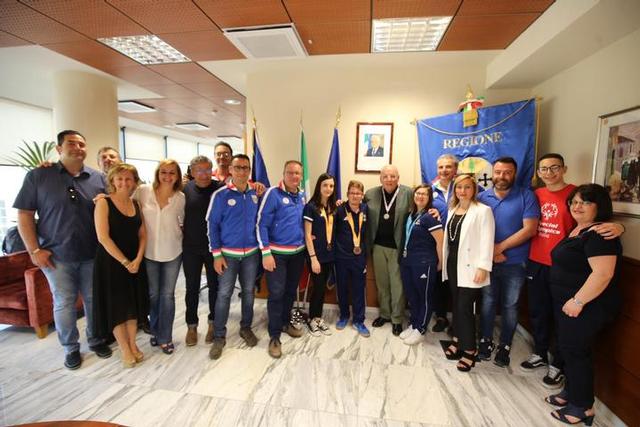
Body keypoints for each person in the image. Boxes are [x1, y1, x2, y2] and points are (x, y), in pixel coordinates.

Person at [522, 153, 625, 388]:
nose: (549, 173)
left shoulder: (576, 194)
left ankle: (558, 364)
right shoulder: (535, 195)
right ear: (538, 172)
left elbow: (597, 223)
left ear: (564, 169)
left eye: (554, 167)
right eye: (544, 169)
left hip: (566, 268)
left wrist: (619, 226)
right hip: (537, 260)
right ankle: (540, 352)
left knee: (563, 318)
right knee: (538, 311)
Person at [14, 130, 112, 370]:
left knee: (93, 300)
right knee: (64, 302)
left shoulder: (98, 178)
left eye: (82, 144)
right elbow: (24, 214)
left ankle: (96, 339)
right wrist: (34, 250)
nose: (78, 148)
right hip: (56, 256)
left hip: (92, 254)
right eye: (71, 143)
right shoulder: (39, 176)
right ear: (59, 149)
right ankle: (70, 348)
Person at [546, 184, 622, 426]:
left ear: (599, 207)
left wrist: (578, 301)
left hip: (585, 305)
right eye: (574, 202)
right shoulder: (579, 229)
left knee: (576, 352)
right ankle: (571, 393)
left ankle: (582, 407)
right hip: (568, 304)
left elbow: (603, 274)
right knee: (569, 349)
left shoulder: (600, 235)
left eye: (585, 202)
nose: (577, 206)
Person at [477, 157, 540, 367]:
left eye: (507, 172)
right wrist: (491, 252)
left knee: (510, 305)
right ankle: (485, 341)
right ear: (492, 173)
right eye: (498, 172)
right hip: (487, 261)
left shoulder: (526, 196)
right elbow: (475, 228)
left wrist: (500, 248)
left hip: (515, 262)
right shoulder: (481, 197)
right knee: (487, 302)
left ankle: (504, 345)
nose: (501, 176)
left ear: (514, 173)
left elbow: (530, 229)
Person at [93, 163, 148, 368]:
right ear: (113, 181)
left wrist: (138, 259)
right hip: (111, 262)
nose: (124, 182)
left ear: (134, 182)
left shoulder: (137, 204)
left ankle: (133, 344)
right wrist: (125, 262)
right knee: (116, 307)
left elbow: (143, 235)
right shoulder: (103, 203)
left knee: (132, 305)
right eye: (120, 179)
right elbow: (103, 237)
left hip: (135, 262)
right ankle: (124, 349)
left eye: (128, 179)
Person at [207, 154, 261, 359]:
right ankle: (219, 336)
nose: (241, 171)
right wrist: (216, 255)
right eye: (237, 167)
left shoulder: (255, 194)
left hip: (251, 255)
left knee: (248, 293)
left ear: (249, 171)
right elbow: (212, 225)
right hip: (227, 256)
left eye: (245, 168)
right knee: (224, 294)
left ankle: (246, 327)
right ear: (230, 169)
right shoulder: (220, 195)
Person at [442, 174, 494, 372]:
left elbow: (487, 241)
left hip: (472, 267)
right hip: (453, 264)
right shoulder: (452, 209)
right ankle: (457, 339)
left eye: (467, 187)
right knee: (456, 304)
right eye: (459, 187)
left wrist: (483, 267)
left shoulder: (483, 211)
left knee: (465, 308)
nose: (462, 191)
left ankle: (470, 350)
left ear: (474, 190)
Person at [133, 160, 184, 355]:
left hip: (173, 252)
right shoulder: (143, 191)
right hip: (149, 253)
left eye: (172, 173)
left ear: (177, 176)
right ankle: (155, 330)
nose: (167, 176)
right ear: (157, 173)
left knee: (167, 296)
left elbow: (183, 222)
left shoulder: (180, 198)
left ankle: (165, 337)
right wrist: (103, 198)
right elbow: (121, 202)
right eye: (164, 172)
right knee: (153, 295)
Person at [257, 160, 307, 358]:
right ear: (284, 173)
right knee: (276, 294)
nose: (294, 176)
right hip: (276, 255)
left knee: (289, 291)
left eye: (297, 173)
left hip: (297, 254)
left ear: (301, 176)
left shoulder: (302, 196)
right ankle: (274, 336)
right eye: (290, 172)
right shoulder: (273, 193)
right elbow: (261, 224)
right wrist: (266, 252)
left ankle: (285, 323)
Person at [364, 164, 412, 335]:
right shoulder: (370, 194)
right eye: (385, 176)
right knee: (382, 283)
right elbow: (356, 207)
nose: (389, 179)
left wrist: (433, 211)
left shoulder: (409, 193)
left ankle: (397, 318)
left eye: (393, 176)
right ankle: (384, 314)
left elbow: (421, 207)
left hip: (397, 247)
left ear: (398, 178)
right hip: (377, 246)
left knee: (397, 285)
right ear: (380, 178)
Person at [182, 155, 222, 346]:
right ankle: (192, 326)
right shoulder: (185, 189)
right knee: (192, 288)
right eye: (199, 170)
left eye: (207, 170)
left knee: (215, 287)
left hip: (214, 248)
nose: (204, 174)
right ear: (192, 172)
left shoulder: (220, 188)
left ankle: (213, 323)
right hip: (190, 248)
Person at [398, 185, 443, 345]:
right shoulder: (410, 215)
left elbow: (440, 242)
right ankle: (414, 324)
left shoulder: (430, 217)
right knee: (412, 295)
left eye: (424, 194)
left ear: (429, 198)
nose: (420, 196)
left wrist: (440, 262)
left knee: (423, 296)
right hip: (408, 261)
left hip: (424, 263)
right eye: (418, 193)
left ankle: (421, 329)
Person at [334, 180, 370, 337]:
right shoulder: (339, 210)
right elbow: (333, 232)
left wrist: (365, 254)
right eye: (352, 193)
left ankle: (359, 320)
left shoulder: (366, 209)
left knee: (359, 289)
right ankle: (343, 316)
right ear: (347, 194)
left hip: (359, 258)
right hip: (342, 257)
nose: (355, 196)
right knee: (342, 288)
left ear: (362, 195)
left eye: (358, 193)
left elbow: (368, 233)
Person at [303, 173, 337, 336]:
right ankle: (312, 319)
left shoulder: (333, 207)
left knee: (322, 288)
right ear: (319, 186)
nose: (328, 189)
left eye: (331, 186)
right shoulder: (310, 207)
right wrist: (313, 259)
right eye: (325, 185)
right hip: (316, 256)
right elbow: (307, 234)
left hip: (329, 255)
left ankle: (318, 318)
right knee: (317, 288)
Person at [430, 154, 459, 333]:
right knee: (438, 283)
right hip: (438, 244)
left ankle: (458, 321)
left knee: (457, 284)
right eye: (441, 167)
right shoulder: (430, 190)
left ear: (455, 169)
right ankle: (441, 317)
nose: (444, 170)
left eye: (448, 167)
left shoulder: (464, 187)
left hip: (459, 245)